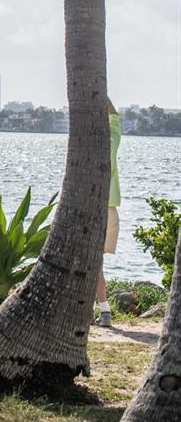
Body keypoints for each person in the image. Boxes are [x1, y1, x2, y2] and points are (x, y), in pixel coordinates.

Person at [94, 99, 122, 328]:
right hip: (111, 213)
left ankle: (104, 311)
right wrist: (104, 96)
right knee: (97, 264)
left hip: (95, 212)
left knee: (94, 266)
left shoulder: (87, 150)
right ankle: (102, 310)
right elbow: (114, 118)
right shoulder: (111, 143)